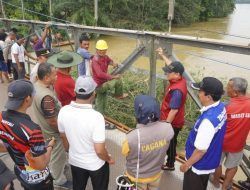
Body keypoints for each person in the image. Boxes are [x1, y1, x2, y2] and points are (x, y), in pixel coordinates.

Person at [58, 76, 115, 190]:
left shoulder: (63, 111)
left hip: (75, 161)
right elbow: (99, 150)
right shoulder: (96, 117)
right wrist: (108, 158)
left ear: (75, 91)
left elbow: (64, 138)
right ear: (94, 93)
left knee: (78, 187)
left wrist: (71, 151)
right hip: (96, 165)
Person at [0, 79, 55, 190]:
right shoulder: (32, 130)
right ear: (28, 98)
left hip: (21, 172)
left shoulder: (1, 117)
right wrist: (49, 146)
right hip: (39, 180)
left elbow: (4, 145)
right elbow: (40, 165)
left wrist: (13, 145)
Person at [180, 77, 226, 190]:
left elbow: (200, 151)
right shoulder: (221, 107)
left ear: (209, 97)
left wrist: (186, 165)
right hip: (209, 160)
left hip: (197, 165)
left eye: (200, 91)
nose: (198, 93)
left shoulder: (208, 122)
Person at [121, 95, 174, 190]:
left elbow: (124, 152)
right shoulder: (168, 128)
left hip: (137, 177)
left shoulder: (131, 137)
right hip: (156, 174)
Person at [32, 63, 71, 188]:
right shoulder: (47, 96)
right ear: (47, 77)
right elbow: (52, 120)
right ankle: (58, 180)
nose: (57, 77)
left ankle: (59, 172)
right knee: (56, 157)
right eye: (55, 74)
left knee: (57, 155)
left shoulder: (36, 86)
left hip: (44, 129)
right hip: (53, 133)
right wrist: (61, 132)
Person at [211, 77, 250, 190]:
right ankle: (225, 187)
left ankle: (215, 181)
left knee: (216, 163)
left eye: (228, 87)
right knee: (232, 167)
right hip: (238, 144)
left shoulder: (226, 106)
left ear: (235, 92)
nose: (226, 89)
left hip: (221, 142)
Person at [156, 47, 187, 171]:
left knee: (171, 143)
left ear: (177, 75)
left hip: (173, 122)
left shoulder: (177, 91)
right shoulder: (179, 79)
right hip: (171, 119)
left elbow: (173, 110)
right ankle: (169, 161)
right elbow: (172, 65)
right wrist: (162, 54)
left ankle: (170, 164)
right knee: (170, 142)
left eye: (169, 72)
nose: (166, 73)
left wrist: (166, 126)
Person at [92, 39, 127, 114]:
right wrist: (113, 77)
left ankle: (100, 114)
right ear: (96, 50)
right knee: (118, 80)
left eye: (104, 50)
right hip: (99, 86)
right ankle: (119, 95)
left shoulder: (105, 57)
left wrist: (113, 64)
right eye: (100, 50)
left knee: (102, 101)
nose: (102, 51)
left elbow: (109, 61)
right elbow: (100, 74)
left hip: (103, 83)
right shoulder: (95, 60)